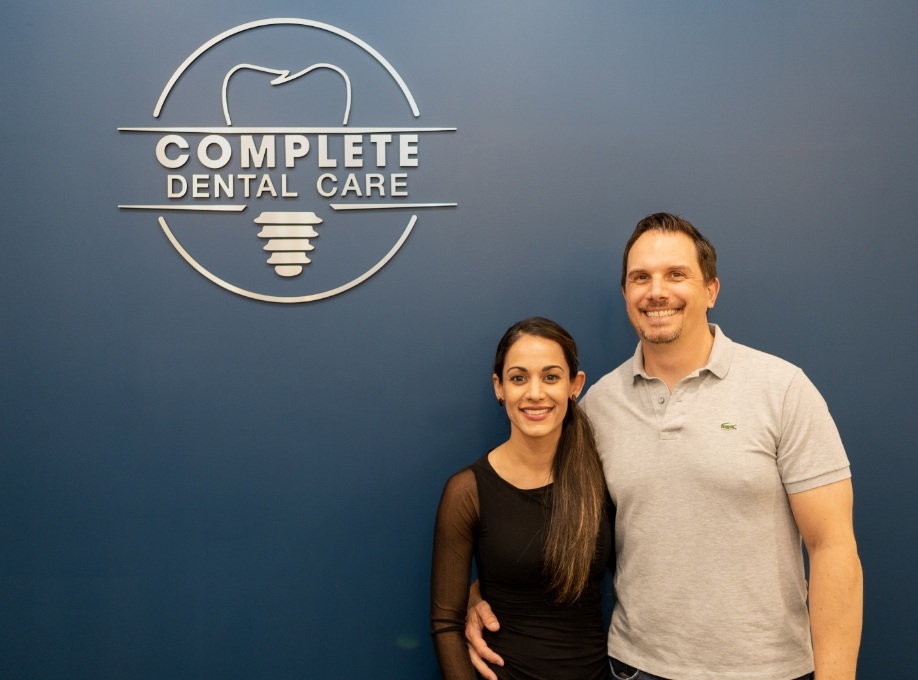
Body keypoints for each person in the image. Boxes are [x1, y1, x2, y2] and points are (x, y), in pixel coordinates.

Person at [466, 214, 863, 680]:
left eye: (676, 274)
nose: (657, 291)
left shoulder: (782, 389)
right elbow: (548, 525)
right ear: (626, 295)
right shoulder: (597, 408)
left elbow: (833, 546)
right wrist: (481, 595)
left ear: (711, 290)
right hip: (637, 668)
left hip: (768, 669)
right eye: (641, 277)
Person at [430, 317, 616, 680]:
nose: (535, 393)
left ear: (574, 385)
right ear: (499, 387)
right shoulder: (467, 491)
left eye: (550, 377)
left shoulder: (601, 479)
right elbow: (445, 622)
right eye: (518, 378)